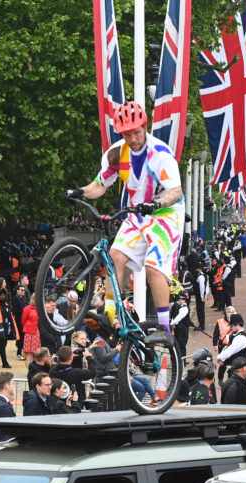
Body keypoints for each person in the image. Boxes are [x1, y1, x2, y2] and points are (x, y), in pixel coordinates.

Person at [68, 101, 183, 338]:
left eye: (136, 132)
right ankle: (110, 316)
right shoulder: (116, 154)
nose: (132, 138)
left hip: (165, 213)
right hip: (137, 213)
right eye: (126, 134)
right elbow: (100, 186)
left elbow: (176, 192)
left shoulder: (160, 154)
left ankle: (164, 326)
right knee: (114, 257)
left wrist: (157, 203)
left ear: (145, 126)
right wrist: (79, 191)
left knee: (153, 267)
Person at [216, 313, 246, 385]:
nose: (230, 327)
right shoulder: (235, 335)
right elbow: (227, 347)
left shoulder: (241, 338)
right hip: (236, 370)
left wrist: (219, 358)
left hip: (240, 371)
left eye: (231, 325)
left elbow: (230, 350)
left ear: (237, 325)